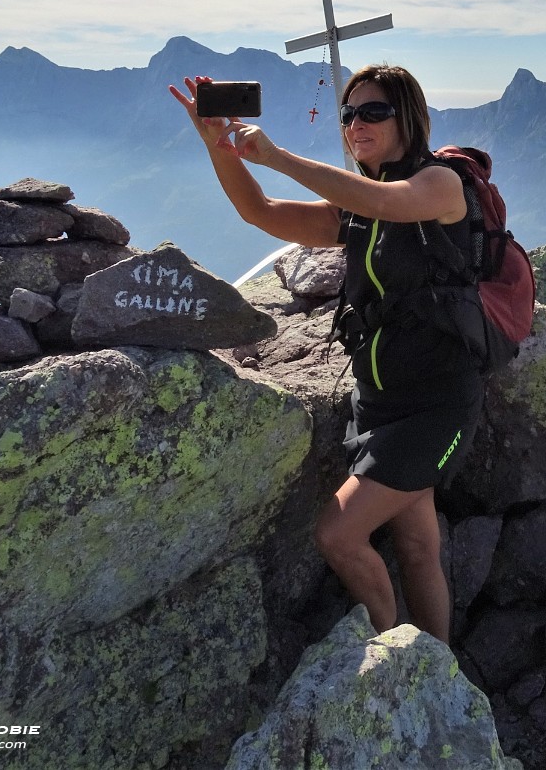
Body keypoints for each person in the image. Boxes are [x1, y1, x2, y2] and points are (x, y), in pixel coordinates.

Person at [169, 64, 482, 644]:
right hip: (381, 401)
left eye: (372, 112)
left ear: (407, 117)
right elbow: (260, 212)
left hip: (438, 403)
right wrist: (220, 147)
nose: (355, 123)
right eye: (348, 114)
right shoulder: (361, 208)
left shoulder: (440, 185)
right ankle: (440, 667)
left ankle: (392, 658)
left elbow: (388, 201)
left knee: (337, 535)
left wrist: (278, 155)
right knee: (417, 544)